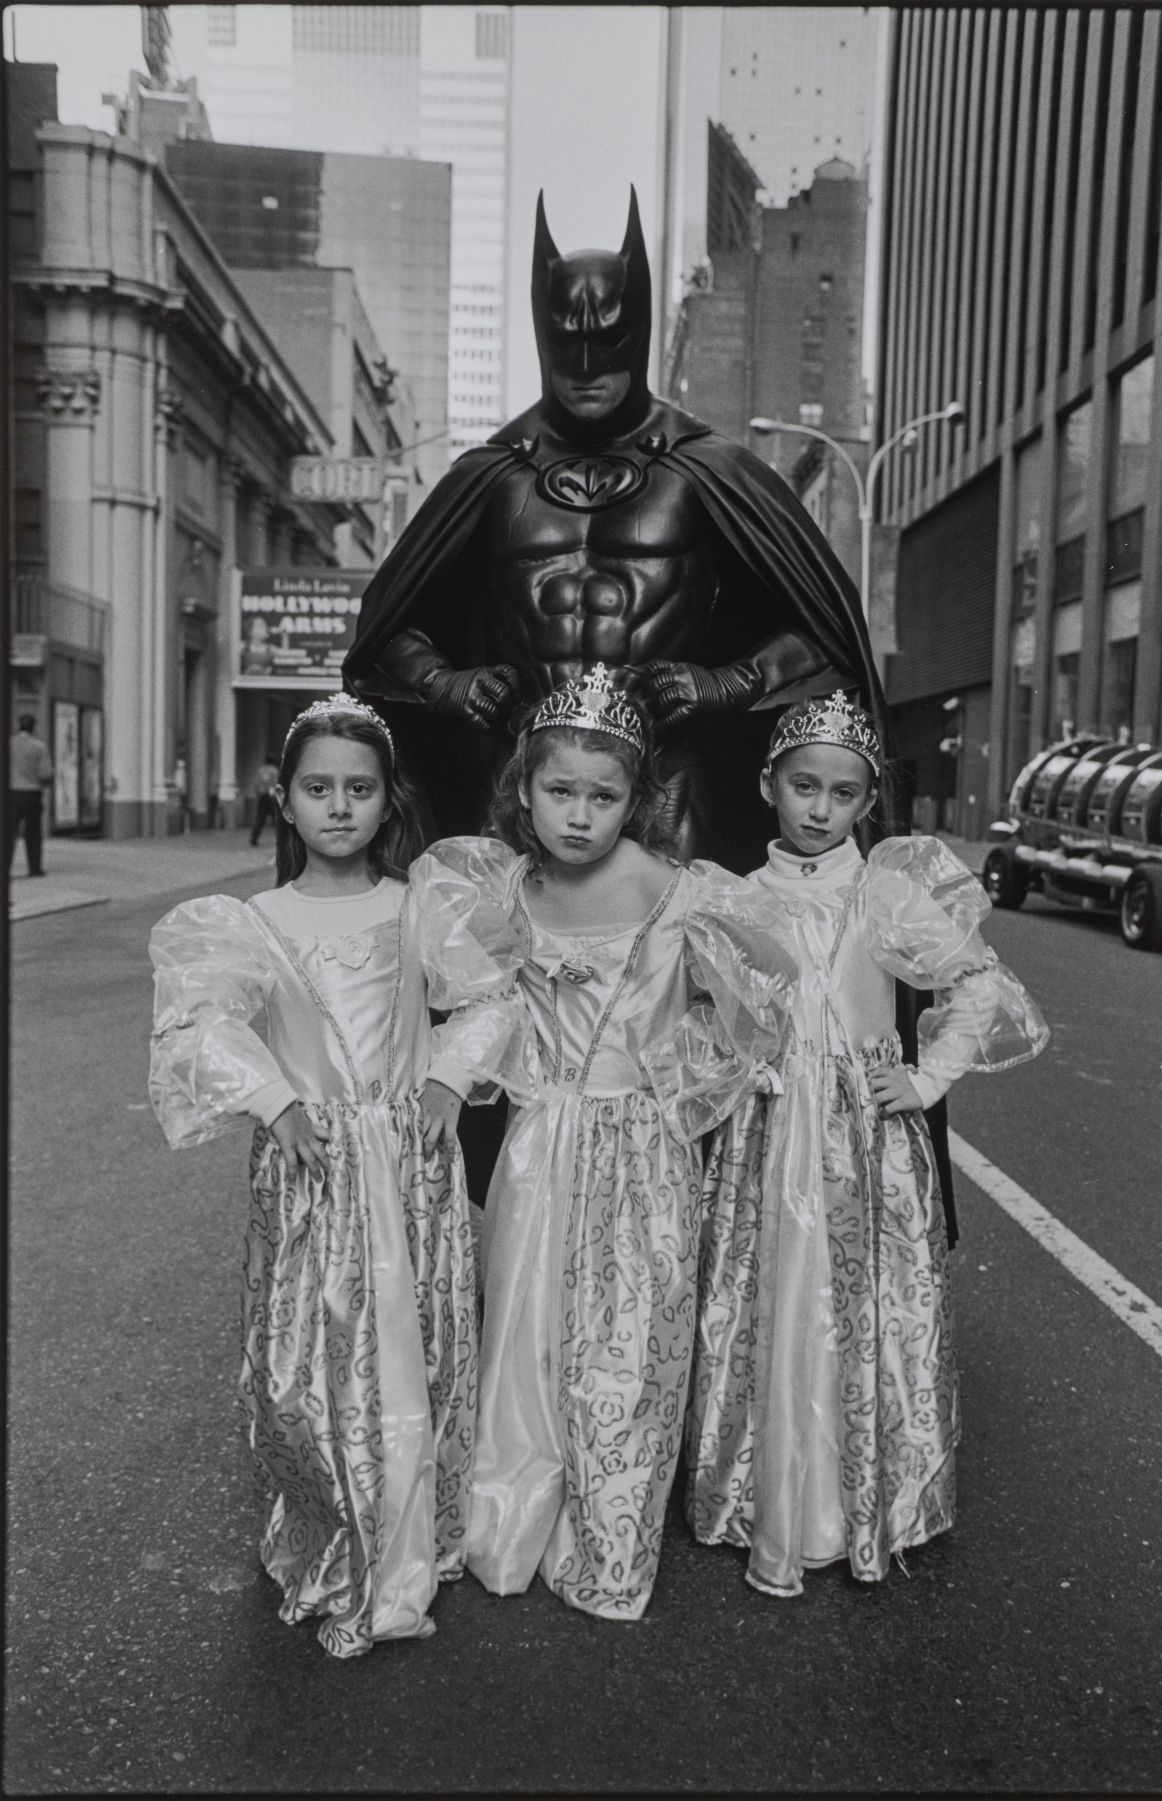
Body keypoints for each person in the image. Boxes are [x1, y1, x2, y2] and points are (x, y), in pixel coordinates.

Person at [344, 188, 895, 869]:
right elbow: (384, 628)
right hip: (525, 783)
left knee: (669, 962)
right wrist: (441, 682)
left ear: (637, 327)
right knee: (504, 965)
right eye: (566, 340)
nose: (584, 363)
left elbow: (825, 626)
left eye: (607, 338)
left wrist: (731, 681)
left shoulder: (705, 469)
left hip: (664, 783)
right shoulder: (492, 476)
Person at [147, 694, 526, 1658]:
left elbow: (489, 998)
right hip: (314, 1169)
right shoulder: (255, 920)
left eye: (359, 788)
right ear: (285, 799)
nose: (340, 807)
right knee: (316, 1361)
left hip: (404, 1165)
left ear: (386, 799)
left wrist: (446, 1074)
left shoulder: (415, 907)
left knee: (414, 1345)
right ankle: (335, 1524)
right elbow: (202, 1024)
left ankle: (404, 1536)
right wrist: (275, 1099)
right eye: (319, 788)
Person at [451, 664, 797, 1620]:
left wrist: (689, 1067)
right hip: (540, 1142)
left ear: (636, 802)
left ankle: (611, 1532)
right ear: (524, 789)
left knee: (633, 1339)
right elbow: (479, 1011)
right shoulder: (508, 889)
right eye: (559, 791)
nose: (578, 815)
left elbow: (761, 991)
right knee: (529, 1325)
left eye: (603, 797)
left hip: (643, 1147)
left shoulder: (681, 891)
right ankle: (516, 1510)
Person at [686, 693, 1048, 1596]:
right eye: (804, 785)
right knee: (769, 1292)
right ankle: (762, 1488)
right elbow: (704, 1015)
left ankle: (859, 1499)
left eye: (842, 794)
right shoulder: (735, 896)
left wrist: (924, 1081)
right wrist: (740, 1063)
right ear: (768, 783)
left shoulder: (883, 892)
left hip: (860, 1136)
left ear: (866, 802)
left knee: (857, 1302)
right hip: (768, 1133)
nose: (819, 808)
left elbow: (973, 982)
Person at [9, 713, 53, 876]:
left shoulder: (9, 743)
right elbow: (44, 774)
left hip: (11, 792)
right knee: (33, 831)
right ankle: (34, 868)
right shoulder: (39, 746)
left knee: (8, 832)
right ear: (33, 727)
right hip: (32, 794)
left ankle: (4, 867)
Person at [248, 753, 280, 846]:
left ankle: (254, 838)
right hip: (271, 797)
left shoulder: (260, 771)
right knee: (276, 819)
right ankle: (282, 838)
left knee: (260, 818)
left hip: (262, 796)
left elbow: (255, 784)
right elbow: (276, 783)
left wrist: (257, 794)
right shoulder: (274, 771)